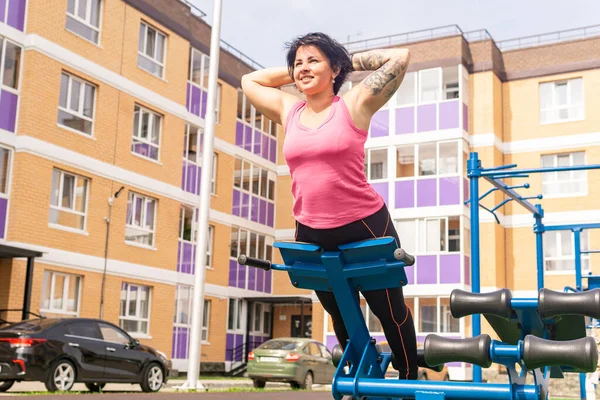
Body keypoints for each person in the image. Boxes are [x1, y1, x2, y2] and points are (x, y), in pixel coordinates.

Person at [241, 32, 417, 380]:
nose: (303, 68)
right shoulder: (288, 110)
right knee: (340, 312)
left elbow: (401, 57)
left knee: (389, 309)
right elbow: (250, 80)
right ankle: (364, 378)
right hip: (311, 228)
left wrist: (341, 62)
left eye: (313, 61)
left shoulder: (355, 103)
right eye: (298, 63)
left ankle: (409, 378)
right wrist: (302, 71)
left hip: (364, 223)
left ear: (335, 69)